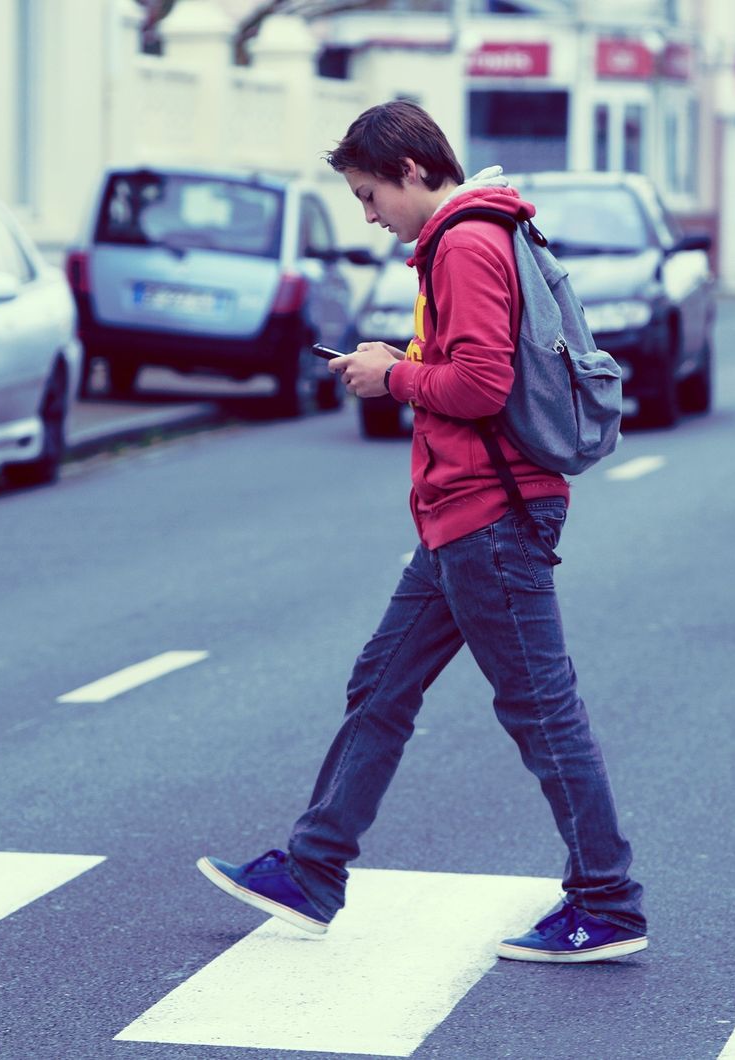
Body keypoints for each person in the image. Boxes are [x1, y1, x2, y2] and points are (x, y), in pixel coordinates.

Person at [197, 100, 646, 963]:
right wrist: (400, 362)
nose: (367, 215)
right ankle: (312, 869)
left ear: (411, 170)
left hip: (491, 513)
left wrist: (393, 375)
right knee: (381, 684)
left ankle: (609, 902)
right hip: (460, 514)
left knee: (542, 712)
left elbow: (479, 384)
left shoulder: (467, 242)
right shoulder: (464, 237)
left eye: (369, 194)